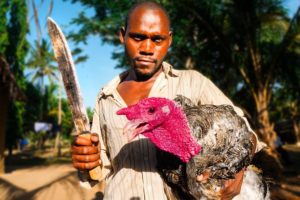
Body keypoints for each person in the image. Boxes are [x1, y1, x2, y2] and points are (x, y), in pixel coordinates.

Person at [71, 1, 264, 199]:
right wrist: (87, 160)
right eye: (138, 37)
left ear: (169, 40)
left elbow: (246, 133)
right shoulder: (106, 97)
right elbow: (99, 169)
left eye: (157, 39)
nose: (147, 48)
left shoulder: (193, 83)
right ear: (123, 35)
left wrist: (238, 167)